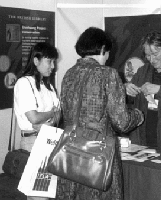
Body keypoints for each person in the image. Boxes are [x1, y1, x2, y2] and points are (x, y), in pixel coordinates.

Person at [55, 27, 144, 200]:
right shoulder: (108, 74)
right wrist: (138, 115)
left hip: (70, 152)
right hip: (98, 156)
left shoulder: (69, 74)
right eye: (107, 52)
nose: (108, 57)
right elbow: (122, 122)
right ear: (102, 49)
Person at [14, 42, 61, 200]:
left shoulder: (48, 86)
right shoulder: (24, 83)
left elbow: (59, 114)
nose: (53, 66)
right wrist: (51, 113)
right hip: (33, 142)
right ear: (36, 61)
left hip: (49, 140)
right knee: (38, 193)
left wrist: (49, 119)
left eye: (54, 61)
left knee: (46, 191)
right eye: (49, 61)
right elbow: (33, 118)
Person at [125, 31, 161, 152]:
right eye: (148, 55)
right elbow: (129, 100)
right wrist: (126, 89)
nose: (151, 59)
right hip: (142, 137)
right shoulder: (143, 71)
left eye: (155, 54)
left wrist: (160, 91)